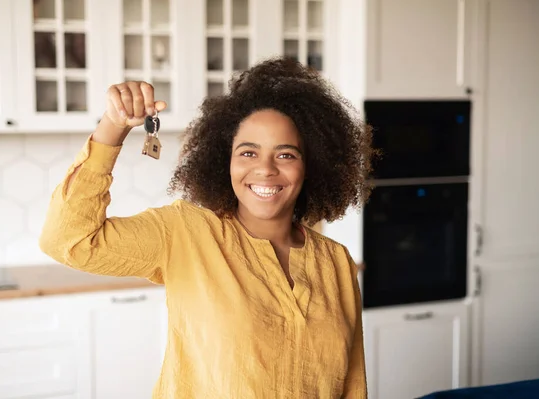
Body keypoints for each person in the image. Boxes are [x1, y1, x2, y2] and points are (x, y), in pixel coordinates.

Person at [40, 56, 376, 398]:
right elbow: (69, 239)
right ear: (223, 161)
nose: (265, 169)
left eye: (286, 155)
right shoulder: (185, 233)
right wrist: (113, 126)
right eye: (247, 153)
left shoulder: (336, 261)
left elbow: (352, 385)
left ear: (312, 165)